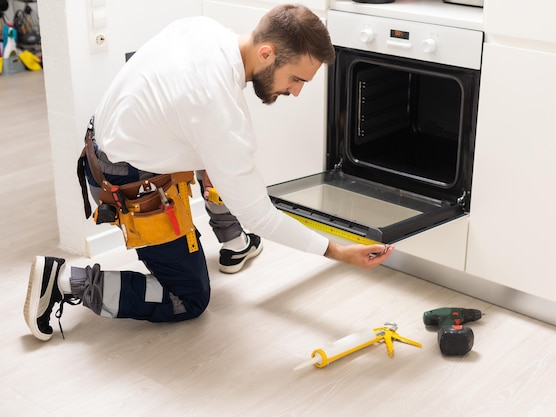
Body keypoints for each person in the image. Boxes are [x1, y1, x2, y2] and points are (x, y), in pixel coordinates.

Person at [23, 4, 393, 342]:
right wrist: (340, 253)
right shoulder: (220, 112)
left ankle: (233, 242)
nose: (295, 92)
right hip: (126, 182)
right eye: (296, 79)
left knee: (221, 163)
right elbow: (261, 215)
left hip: (104, 146)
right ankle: (66, 282)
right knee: (188, 298)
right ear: (267, 54)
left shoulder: (203, 29)